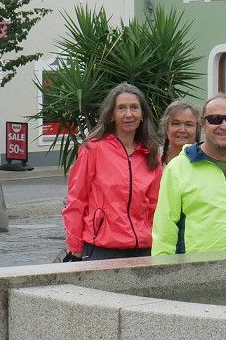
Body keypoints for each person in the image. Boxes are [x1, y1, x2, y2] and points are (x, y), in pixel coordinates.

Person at [152, 94, 226, 255]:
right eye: (215, 119)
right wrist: (163, 266)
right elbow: (164, 229)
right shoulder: (178, 168)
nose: (224, 126)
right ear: (202, 125)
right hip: (198, 268)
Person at [62, 83, 163, 260]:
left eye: (134, 108)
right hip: (103, 248)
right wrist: (75, 247)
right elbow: (77, 200)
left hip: (144, 248)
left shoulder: (151, 152)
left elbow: (156, 204)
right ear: (112, 115)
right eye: (121, 108)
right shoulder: (93, 149)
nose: (128, 114)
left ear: (142, 115)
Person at [160, 99, 200, 165]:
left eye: (188, 124)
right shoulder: (152, 157)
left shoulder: (204, 160)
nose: (182, 130)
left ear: (197, 129)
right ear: (166, 127)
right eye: (176, 124)